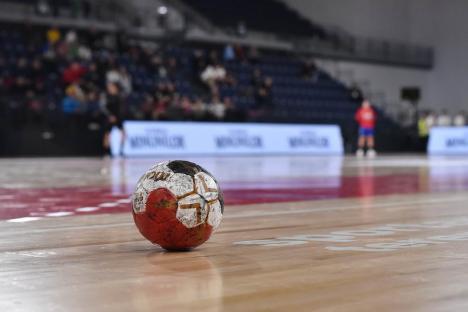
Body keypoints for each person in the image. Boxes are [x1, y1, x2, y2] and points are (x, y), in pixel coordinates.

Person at [102, 82, 125, 156]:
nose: (111, 88)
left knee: (123, 133)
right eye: (110, 87)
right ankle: (106, 151)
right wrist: (110, 115)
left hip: (118, 117)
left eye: (112, 87)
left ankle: (121, 150)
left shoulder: (119, 96)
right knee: (107, 134)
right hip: (110, 117)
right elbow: (104, 107)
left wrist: (119, 116)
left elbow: (120, 108)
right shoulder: (106, 96)